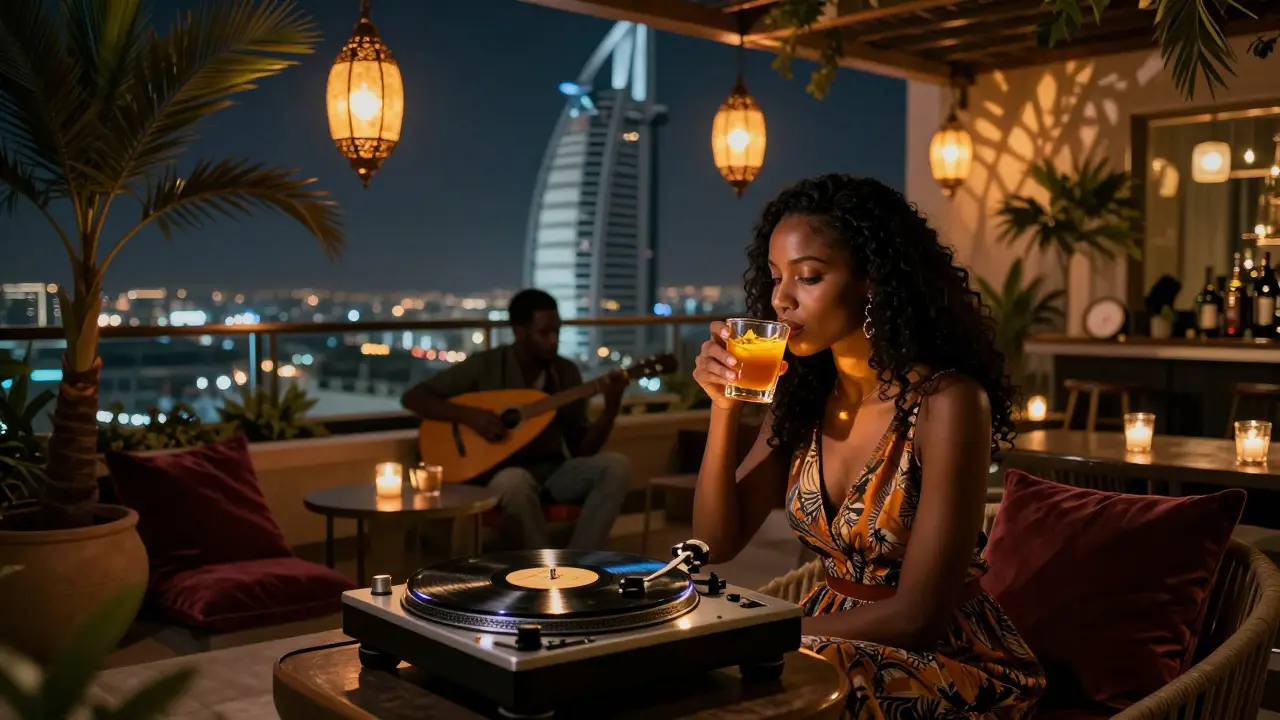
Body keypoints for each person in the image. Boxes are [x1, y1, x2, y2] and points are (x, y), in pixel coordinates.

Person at [690, 174, 1045, 717]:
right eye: (774, 276)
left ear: (873, 281)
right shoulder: (802, 397)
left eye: (807, 277)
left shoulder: (947, 401)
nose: (780, 299)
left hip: (942, 659)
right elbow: (714, 542)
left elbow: (918, 617)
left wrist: (762, 636)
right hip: (822, 637)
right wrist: (723, 407)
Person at [401, 289, 632, 551]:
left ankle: (580, 562)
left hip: (552, 472)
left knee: (616, 466)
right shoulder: (486, 366)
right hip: (498, 474)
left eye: (557, 332)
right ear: (520, 332)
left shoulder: (565, 373)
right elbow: (414, 397)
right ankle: (544, 571)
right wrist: (470, 416)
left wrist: (611, 409)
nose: (553, 341)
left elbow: (583, 448)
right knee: (514, 482)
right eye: (544, 333)